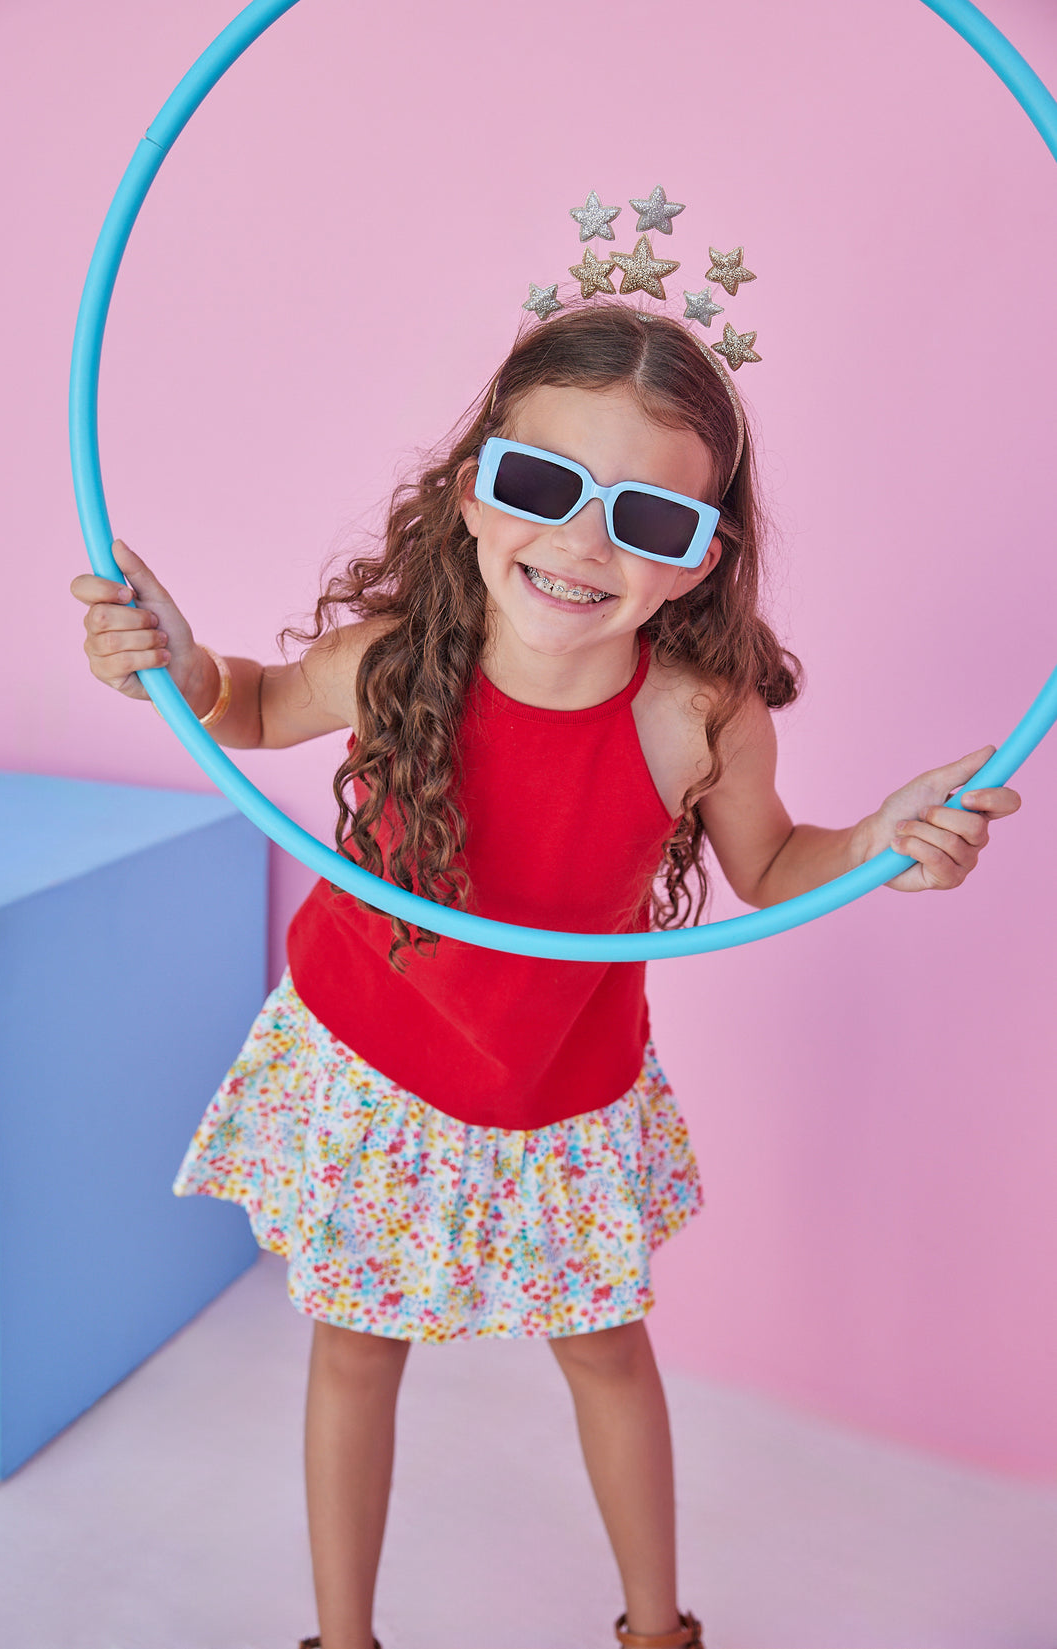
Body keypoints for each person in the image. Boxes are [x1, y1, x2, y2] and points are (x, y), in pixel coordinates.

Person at [69, 301, 1021, 1649]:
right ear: (473, 493)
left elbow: (771, 866)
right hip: (375, 1059)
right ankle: (342, 1638)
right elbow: (263, 704)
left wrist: (878, 846)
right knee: (353, 1346)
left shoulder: (698, 713)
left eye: (650, 520)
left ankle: (656, 1628)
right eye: (541, 485)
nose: (582, 545)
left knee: (609, 1349)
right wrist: (179, 666)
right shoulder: (405, 660)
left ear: (698, 561)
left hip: (562, 1089)